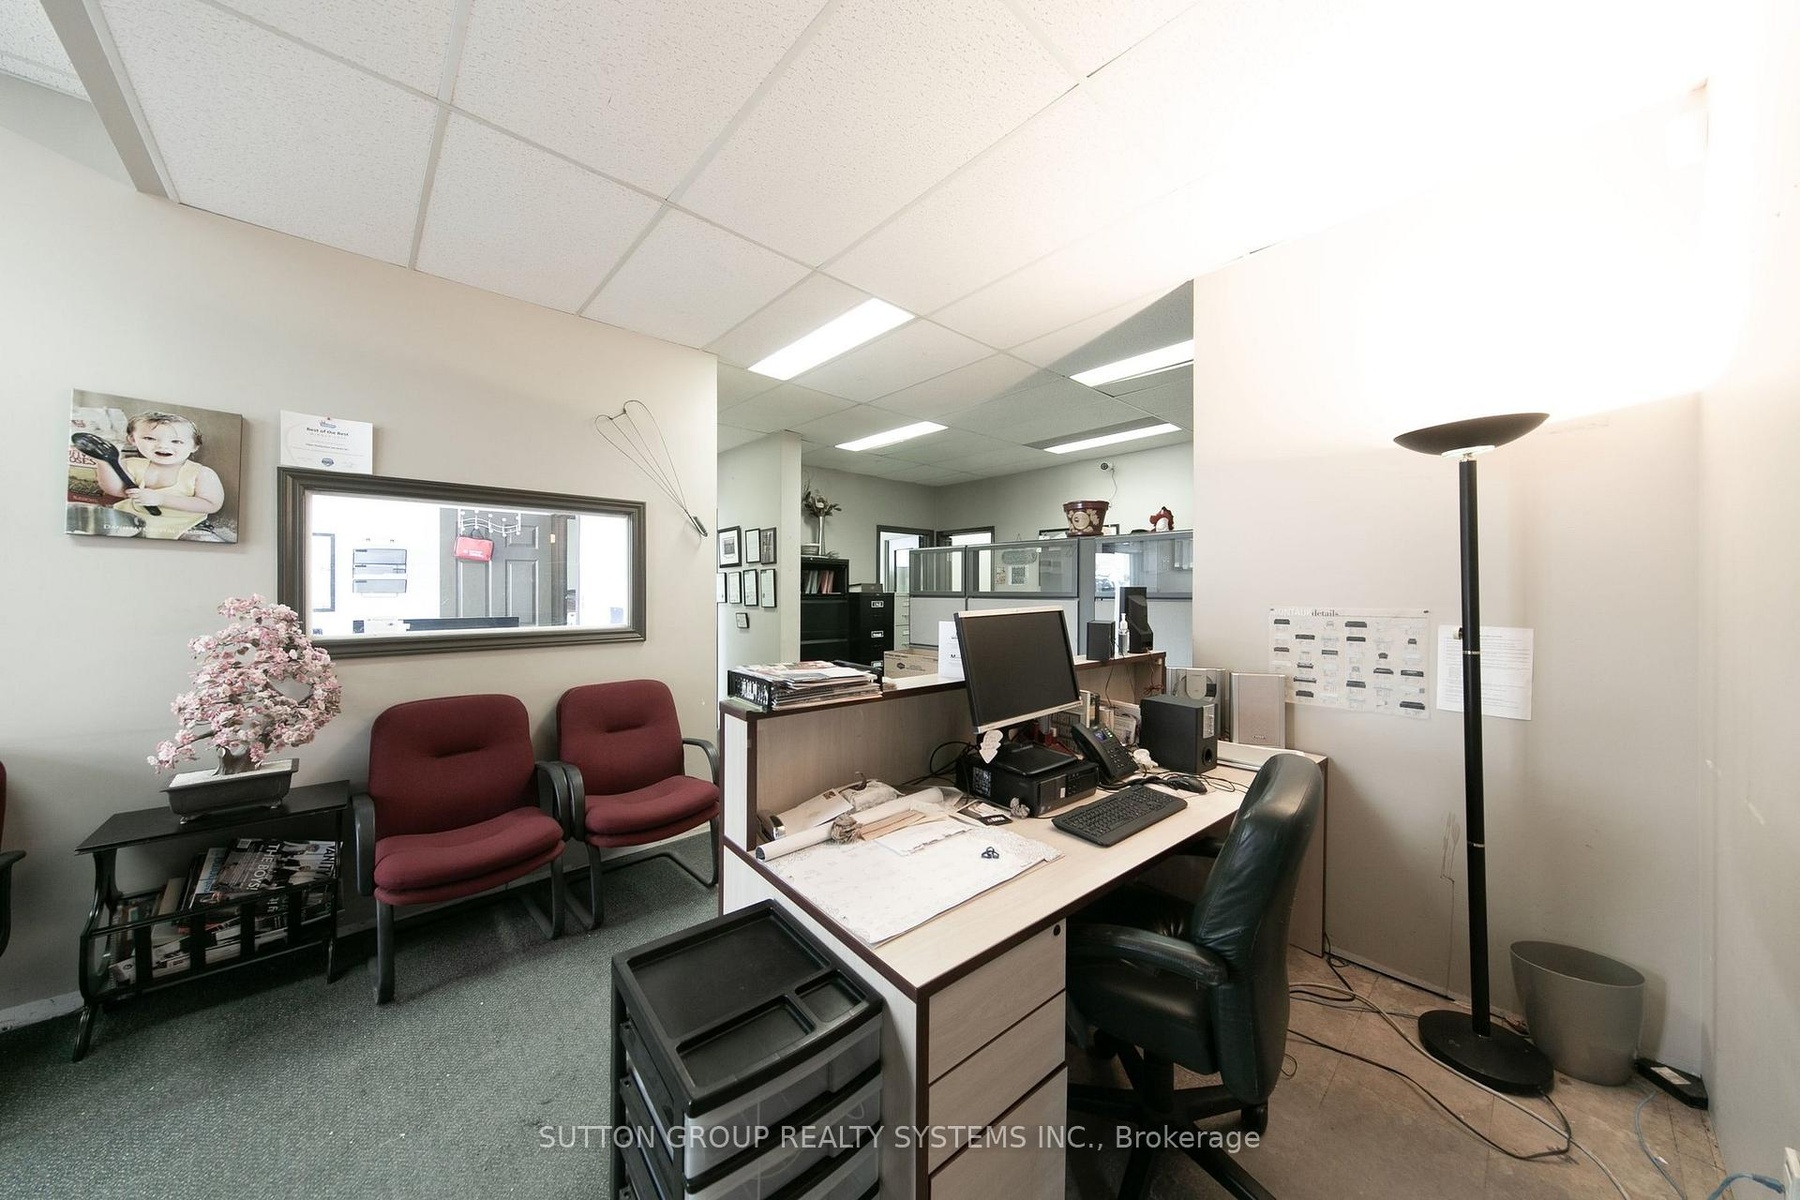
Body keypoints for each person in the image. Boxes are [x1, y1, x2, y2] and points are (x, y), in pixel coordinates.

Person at [90, 411, 224, 540]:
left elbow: (211, 505)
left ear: (195, 446)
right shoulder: (131, 464)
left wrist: (162, 499)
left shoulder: (201, 473)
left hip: (186, 526)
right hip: (134, 520)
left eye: (176, 441)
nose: (163, 446)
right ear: (132, 439)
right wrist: (103, 463)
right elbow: (116, 490)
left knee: (204, 540)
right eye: (150, 438)